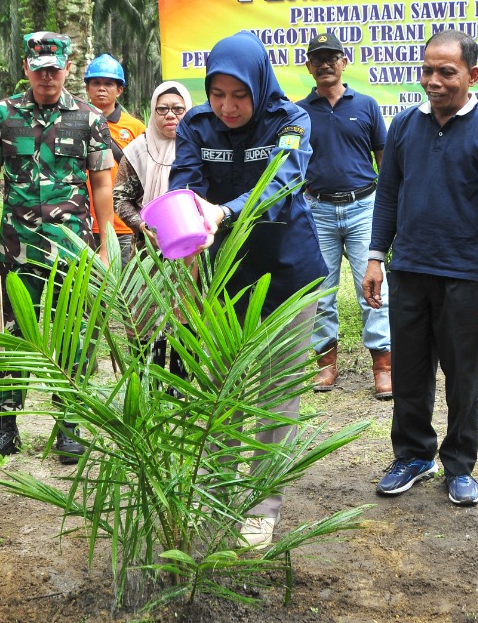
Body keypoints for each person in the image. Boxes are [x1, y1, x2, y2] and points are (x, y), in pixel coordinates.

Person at [169, 29, 326, 549]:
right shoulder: (196, 125)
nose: (228, 106)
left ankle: (261, 504)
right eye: (217, 94)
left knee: (277, 394)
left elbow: (283, 184)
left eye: (239, 95)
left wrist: (225, 210)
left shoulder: (289, 120)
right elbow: (184, 183)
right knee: (220, 389)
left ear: (259, 85)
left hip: (287, 274)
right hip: (223, 275)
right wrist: (182, 221)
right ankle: (214, 493)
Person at [363, 29, 478, 508]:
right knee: (410, 371)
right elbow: (387, 195)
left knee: (463, 375)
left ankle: (459, 465)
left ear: (472, 76)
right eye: (427, 69)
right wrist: (375, 256)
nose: (433, 80)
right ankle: (412, 455)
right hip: (409, 269)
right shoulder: (405, 125)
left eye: (445, 72)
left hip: (465, 275)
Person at [0, 32, 115, 469]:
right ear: (26, 69)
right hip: (18, 248)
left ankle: (69, 425)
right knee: (12, 337)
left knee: (73, 337)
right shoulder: (2, 115)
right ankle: (5, 429)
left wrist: (107, 247)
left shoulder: (89, 118)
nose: (47, 77)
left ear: (67, 69)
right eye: (39, 68)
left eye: (55, 68)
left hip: (74, 249)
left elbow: (103, 184)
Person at [294, 32, 391, 399]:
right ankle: (325, 365)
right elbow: (292, 165)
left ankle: (383, 366)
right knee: (320, 291)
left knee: (374, 288)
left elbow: (383, 158)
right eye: (317, 59)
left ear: (343, 62)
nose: (325, 64)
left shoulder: (365, 105)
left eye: (331, 57)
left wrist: (386, 206)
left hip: (364, 206)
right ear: (309, 67)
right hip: (317, 210)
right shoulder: (300, 113)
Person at [113, 81, 193, 377]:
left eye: (178, 109)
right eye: (162, 109)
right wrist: (142, 224)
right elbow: (120, 198)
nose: (170, 116)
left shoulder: (198, 147)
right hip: (148, 250)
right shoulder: (137, 150)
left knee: (185, 313)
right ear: (153, 112)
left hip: (190, 249)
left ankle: (179, 385)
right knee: (148, 317)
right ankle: (148, 383)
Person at [83, 54, 146, 260]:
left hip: (125, 226)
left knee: (126, 290)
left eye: (108, 84)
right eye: (96, 83)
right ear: (87, 88)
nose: (102, 88)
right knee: (89, 290)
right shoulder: (75, 123)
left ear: (119, 90)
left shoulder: (135, 127)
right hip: (85, 225)